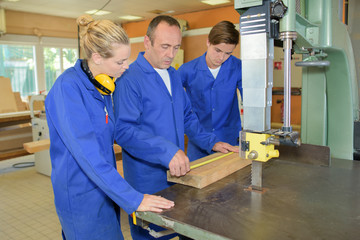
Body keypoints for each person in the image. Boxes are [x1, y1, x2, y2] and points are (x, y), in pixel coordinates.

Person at [45, 15, 174, 240]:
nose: (126, 67)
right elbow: (88, 155)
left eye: (127, 60)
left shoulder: (101, 86)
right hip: (81, 197)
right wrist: (134, 199)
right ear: (96, 57)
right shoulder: (68, 89)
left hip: (105, 189)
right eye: (120, 62)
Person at [113, 15, 238, 240]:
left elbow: (187, 117)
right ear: (147, 42)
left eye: (176, 47)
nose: (171, 54)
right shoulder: (129, 79)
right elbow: (123, 131)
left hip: (178, 176)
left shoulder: (172, 74)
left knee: (179, 230)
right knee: (152, 234)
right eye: (165, 47)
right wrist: (167, 151)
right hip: (148, 180)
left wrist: (213, 142)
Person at [178, 21, 242, 161]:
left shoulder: (238, 67)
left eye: (228, 53)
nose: (221, 58)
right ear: (208, 42)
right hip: (199, 142)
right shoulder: (187, 70)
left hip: (230, 142)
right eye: (217, 50)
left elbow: (251, 101)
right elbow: (173, 103)